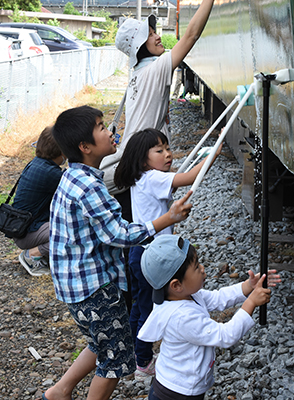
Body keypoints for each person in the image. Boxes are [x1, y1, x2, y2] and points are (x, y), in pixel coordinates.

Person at [42, 105, 193, 400]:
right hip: (93, 287)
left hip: (76, 284)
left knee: (102, 341)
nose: (110, 131)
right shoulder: (89, 188)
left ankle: (60, 391)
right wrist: (168, 218)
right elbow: (119, 234)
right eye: (101, 127)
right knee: (115, 360)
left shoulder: (74, 176)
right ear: (85, 146)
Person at [113, 128, 222, 380]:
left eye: (168, 148)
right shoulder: (153, 178)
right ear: (143, 159)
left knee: (140, 307)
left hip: (139, 252)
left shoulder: (143, 176)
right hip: (153, 257)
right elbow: (191, 177)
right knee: (149, 310)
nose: (168, 154)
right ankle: (142, 362)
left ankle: (135, 354)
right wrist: (215, 150)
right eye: (159, 150)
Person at [138, 234, 281, 400]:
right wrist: (250, 303)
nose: (203, 268)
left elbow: (218, 297)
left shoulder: (188, 295)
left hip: (180, 386)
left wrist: (248, 286)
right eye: (196, 267)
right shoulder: (181, 317)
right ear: (176, 285)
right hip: (177, 393)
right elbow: (225, 336)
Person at [101, 0, 217, 194]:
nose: (158, 36)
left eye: (154, 31)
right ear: (139, 46)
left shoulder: (138, 73)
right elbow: (191, 36)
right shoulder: (155, 69)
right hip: (143, 161)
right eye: (150, 34)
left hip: (135, 158)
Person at [12, 126, 64, 277]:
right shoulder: (50, 173)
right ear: (60, 151)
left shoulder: (38, 163)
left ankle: (44, 252)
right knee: (69, 231)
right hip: (28, 232)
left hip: (24, 228)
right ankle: (32, 255)